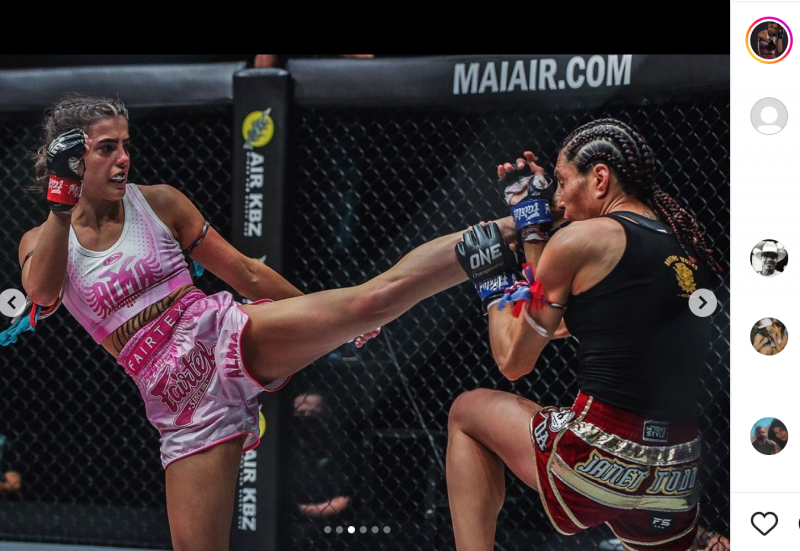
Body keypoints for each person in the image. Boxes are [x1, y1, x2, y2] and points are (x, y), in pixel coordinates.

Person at [17, 94, 515, 551]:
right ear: (73, 157)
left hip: (218, 335)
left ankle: (510, 229)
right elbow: (42, 293)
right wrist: (61, 204)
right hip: (177, 397)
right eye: (108, 148)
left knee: (370, 301)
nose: (124, 158)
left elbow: (247, 273)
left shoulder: (158, 202)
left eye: (126, 144)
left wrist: (332, 321)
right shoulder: (42, 240)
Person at [448, 119, 720, 551]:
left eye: (561, 182)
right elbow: (554, 322)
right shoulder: (686, 247)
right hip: (676, 474)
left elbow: (513, 359)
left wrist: (493, 284)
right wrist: (533, 229)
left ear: (599, 178)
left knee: (466, 411)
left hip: (598, 460)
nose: (557, 200)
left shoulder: (582, 240)